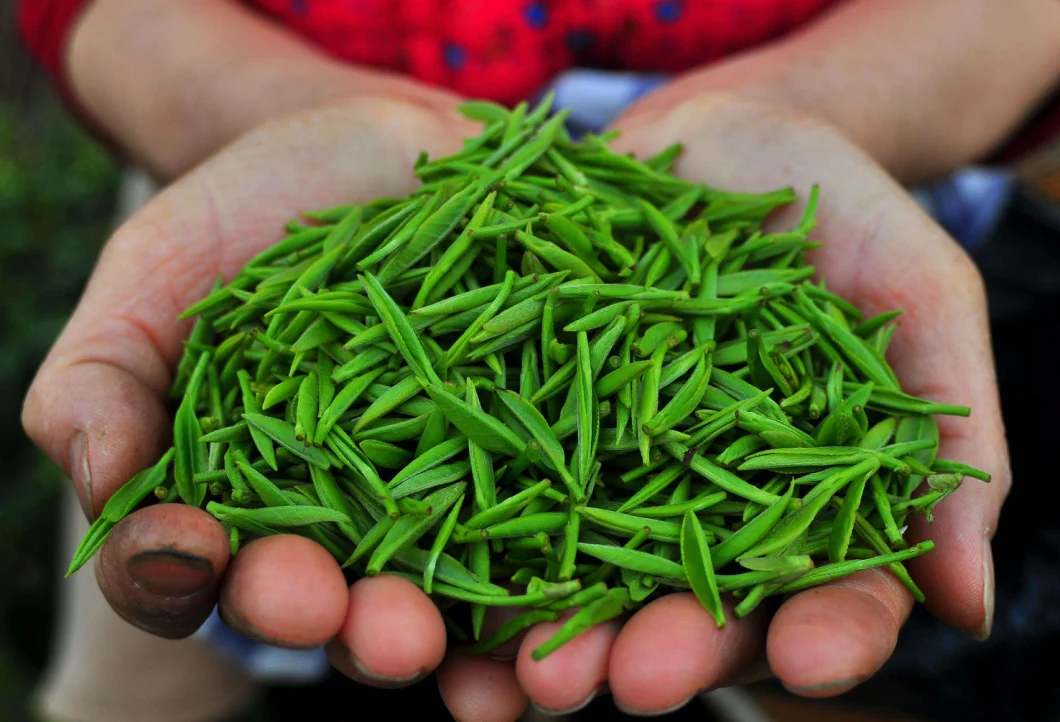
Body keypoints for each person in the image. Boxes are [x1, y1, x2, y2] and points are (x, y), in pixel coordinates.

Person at [17, 0, 1060, 720]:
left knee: (804, 660)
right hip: (258, 170)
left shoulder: (730, 328)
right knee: (150, 635)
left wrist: (843, 101)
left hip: (823, 151)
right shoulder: (283, 332)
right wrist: (236, 102)